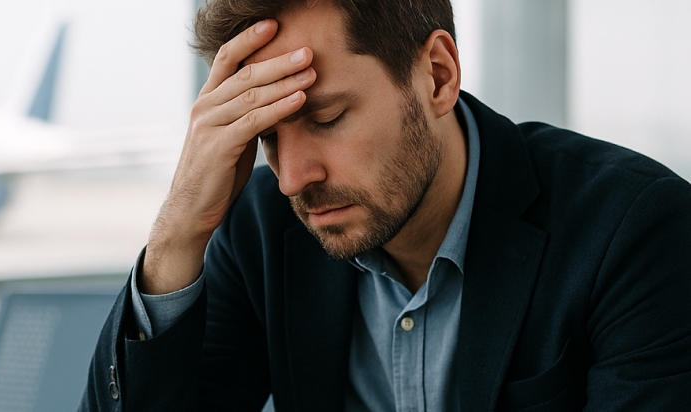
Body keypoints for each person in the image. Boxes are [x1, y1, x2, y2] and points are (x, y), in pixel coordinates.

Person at [79, 0, 691, 410]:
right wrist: (179, 232)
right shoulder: (262, 227)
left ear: (437, 75)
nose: (292, 178)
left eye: (326, 117)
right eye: (265, 134)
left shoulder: (636, 229)